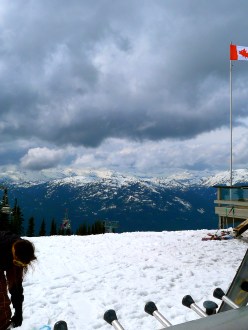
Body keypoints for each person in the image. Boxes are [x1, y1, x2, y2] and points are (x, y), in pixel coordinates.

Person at [0, 231, 37, 329]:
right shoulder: (3, 247)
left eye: (22, 265)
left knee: (4, 306)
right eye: (17, 263)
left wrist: (18, 312)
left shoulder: (21, 251)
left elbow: (16, 286)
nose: (18, 266)